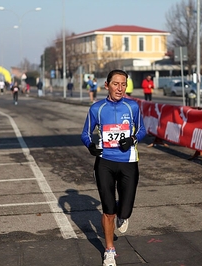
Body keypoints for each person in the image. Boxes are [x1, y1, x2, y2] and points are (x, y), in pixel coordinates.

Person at [81, 69, 146, 266]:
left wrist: (133, 139)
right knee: (108, 210)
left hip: (128, 162)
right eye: (116, 84)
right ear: (107, 85)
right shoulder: (97, 108)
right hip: (105, 163)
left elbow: (142, 130)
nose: (120, 88)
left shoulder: (132, 106)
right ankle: (109, 250)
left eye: (123, 84)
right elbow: (85, 133)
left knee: (124, 211)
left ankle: (123, 216)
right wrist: (91, 146)